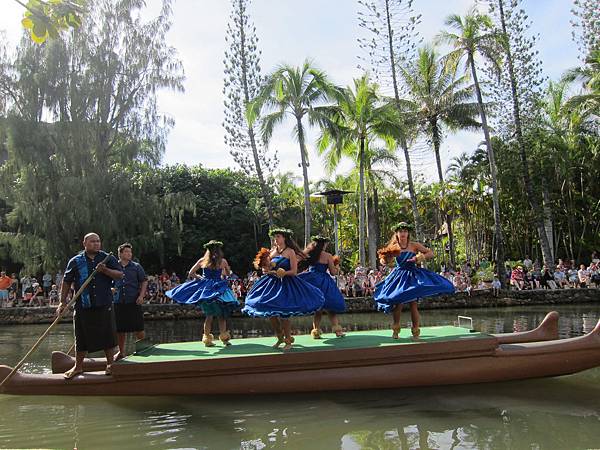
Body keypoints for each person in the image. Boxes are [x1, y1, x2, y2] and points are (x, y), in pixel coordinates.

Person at [242, 228, 325, 350]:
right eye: (275, 237)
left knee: (284, 313)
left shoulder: (290, 252)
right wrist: (266, 270)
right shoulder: (272, 252)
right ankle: (280, 336)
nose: (276, 239)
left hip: (286, 284)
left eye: (278, 237)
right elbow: (266, 268)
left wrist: (284, 273)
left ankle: (288, 340)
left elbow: (294, 271)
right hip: (272, 283)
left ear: (284, 238)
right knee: (269, 310)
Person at [57, 233, 123, 379]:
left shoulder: (107, 258)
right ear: (84, 243)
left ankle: (110, 364)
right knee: (81, 336)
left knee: (107, 335)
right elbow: (67, 281)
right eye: (93, 241)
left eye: (98, 241)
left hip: (104, 302)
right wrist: (63, 301)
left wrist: (105, 270)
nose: (96, 244)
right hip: (83, 304)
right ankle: (78, 367)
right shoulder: (75, 261)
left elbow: (119, 275)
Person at [374, 222, 454, 339]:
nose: (403, 233)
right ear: (396, 233)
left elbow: (430, 253)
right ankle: (395, 329)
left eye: (405, 231)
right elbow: (383, 260)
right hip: (399, 276)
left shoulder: (414, 245)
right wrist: (387, 259)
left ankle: (415, 332)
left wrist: (418, 258)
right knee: (398, 303)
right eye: (401, 231)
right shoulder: (393, 246)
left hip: (412, 275)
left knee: (413, 304)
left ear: (408, 233)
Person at [167, 240, 240, 347]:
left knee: (209, 315)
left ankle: (207, 339)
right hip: (219, 288)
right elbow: (228, 274)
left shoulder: (203, 260)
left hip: (206, 289)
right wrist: (224, 273)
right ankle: (224, 339)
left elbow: (191, 273)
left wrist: (200, 277)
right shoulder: (223, 261)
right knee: (221, 315)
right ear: (219, 251)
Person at [297, 235, 346, 339]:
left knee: (318, 310)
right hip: (324, 282)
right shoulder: (327, 256)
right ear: (324, 244)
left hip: (312, 281)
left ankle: (316, 333)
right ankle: (338, 331)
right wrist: (337, 268)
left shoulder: (310, 254)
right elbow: (333, 273)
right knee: (330, 308)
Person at [113, 243, 148, 359]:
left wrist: (141, 296)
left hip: (134, 300)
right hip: (118, 301)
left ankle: (143, 349)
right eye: (126, 252)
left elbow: (144, 281)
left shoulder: (136, 267)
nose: (129, 254)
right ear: (120, 254)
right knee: (120, 329)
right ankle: (121, 352)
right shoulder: (114, 267)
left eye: (130, 252)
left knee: (138, 327)